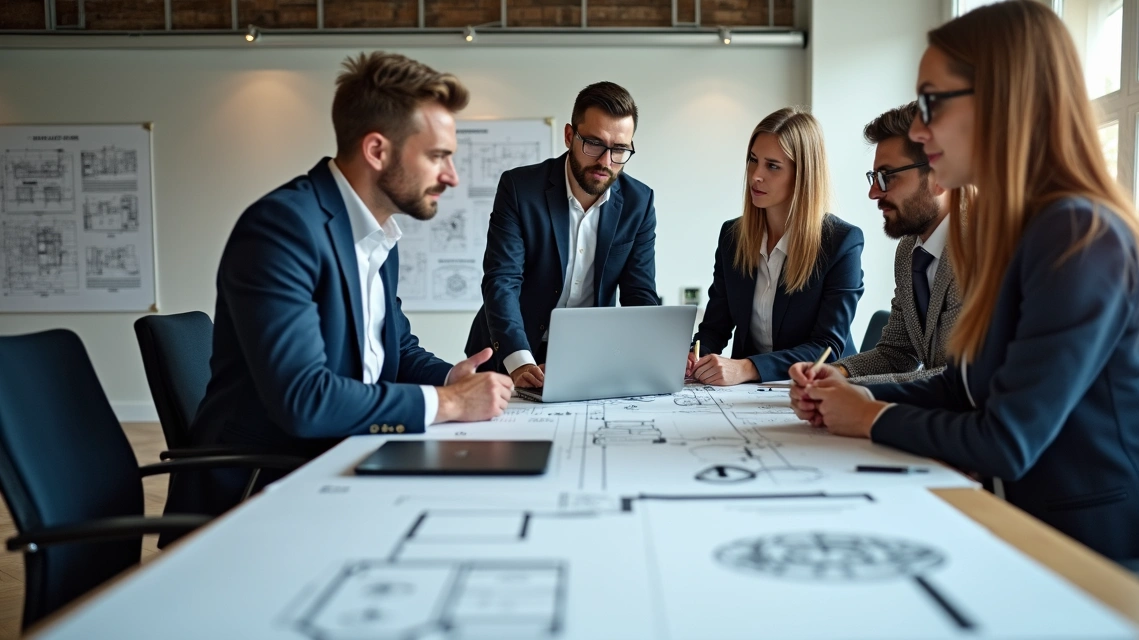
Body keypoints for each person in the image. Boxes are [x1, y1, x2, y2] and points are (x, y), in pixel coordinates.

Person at [790, 1, 1139, 562]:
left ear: (1004, 99)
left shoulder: (1080, 233)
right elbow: (965, 386)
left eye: (931, 103)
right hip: (1029, 524)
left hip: (1104, 557)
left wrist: (872, 417)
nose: (921, 131)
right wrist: (854, 395)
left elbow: (1005, 440)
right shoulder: (1023, 228)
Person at [187, 52, 513, 514]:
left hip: (345, 459)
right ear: (377, 150)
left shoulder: (379, 233)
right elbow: (305, 399)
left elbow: (396, 347)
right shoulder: (282, 229)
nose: (452, 177)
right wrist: (447, 403)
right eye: (438, 156)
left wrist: (448, 377)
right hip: (264, 489)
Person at [464, 82, 660, 386]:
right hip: (510, 355)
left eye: (619, 149)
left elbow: (639, 292)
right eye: (594, 143)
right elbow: (502, 280)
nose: (605, 162)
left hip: (589, 358)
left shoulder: (639, 202)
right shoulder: (520, 188)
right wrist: (519, 361)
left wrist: (660, 350)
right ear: (569, 136)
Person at [687, 107, 863, 385]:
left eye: (772, 166)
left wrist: (747, 368)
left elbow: (827, 347)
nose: (755, 175)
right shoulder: (733, 236)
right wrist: (695, 355)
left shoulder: (841, 243)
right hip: (748, 395)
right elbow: (715, 327)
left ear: (803, 174)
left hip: (819, 388)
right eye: (753, 160)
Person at [830, 102, 961, 384]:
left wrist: (852, 390)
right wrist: (836, 372)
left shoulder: (980, 249)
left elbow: (961, 376)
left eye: (887, 177)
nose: (873, 193)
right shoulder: (908, 251)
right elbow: (896, 353)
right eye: (874, 177)